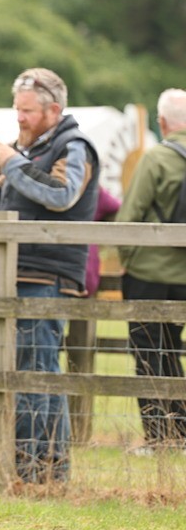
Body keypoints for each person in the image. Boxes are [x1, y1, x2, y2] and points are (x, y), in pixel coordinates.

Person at [0, 67, 99, 482]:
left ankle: (35, 472)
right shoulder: (26, 149)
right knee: (36, 373)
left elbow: (62, 197)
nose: (20, 119)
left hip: (47, 275)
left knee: (35, 375)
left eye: (26, 111)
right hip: (19, 272)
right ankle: (45, 470)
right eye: (17, 110)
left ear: (54, 109)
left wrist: (14, 162)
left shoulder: (73, 146)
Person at [115, 88, 186, 453]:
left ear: (162, 122)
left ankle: (160, 438)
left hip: (149, 273)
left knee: (148, 353)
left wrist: (128, 260)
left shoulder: (156, 158)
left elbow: (130, 217)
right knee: (173, 350)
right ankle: (183, 434)